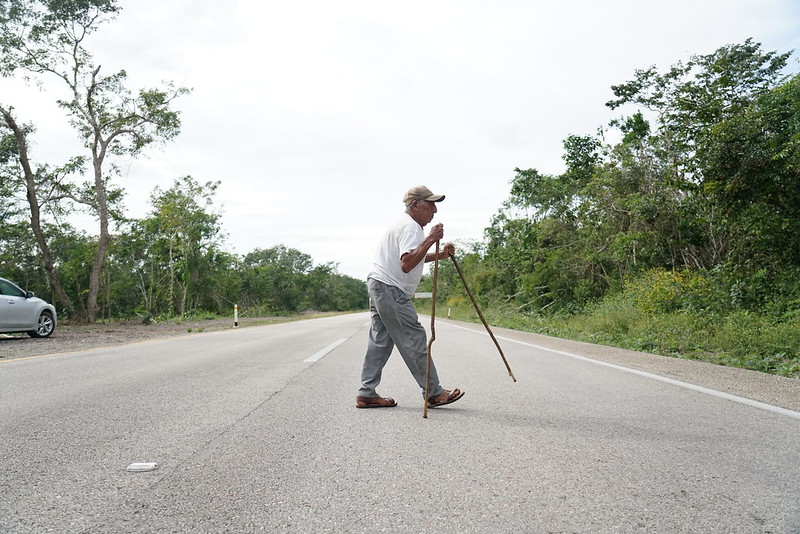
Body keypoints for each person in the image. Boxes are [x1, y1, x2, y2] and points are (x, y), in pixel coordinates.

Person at [356, 185, 465, 409]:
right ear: (415, 205)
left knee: (380, 341)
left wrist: (440, 254)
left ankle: (366, 393)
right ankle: (434, 393)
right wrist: (431, 238)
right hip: (390, 288)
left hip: (379, 285)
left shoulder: (402, 224)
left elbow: (411, 257)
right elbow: (406, 264)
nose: (434, 210)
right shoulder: (411, 227)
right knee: (414, 338)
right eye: (430, 205)